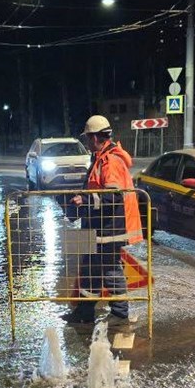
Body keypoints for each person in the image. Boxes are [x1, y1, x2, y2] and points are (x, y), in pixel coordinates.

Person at [62, 115, 142, 325]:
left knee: (110, 268)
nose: (88, 142)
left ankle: (120, 313)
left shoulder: (110, 161)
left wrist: (85, 198)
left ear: (97, 137)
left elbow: (113, 196)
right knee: (90, 268)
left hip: (109, 228)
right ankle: (85, 312)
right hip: (96, 225)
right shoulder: (99, 158)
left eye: (89, 138)